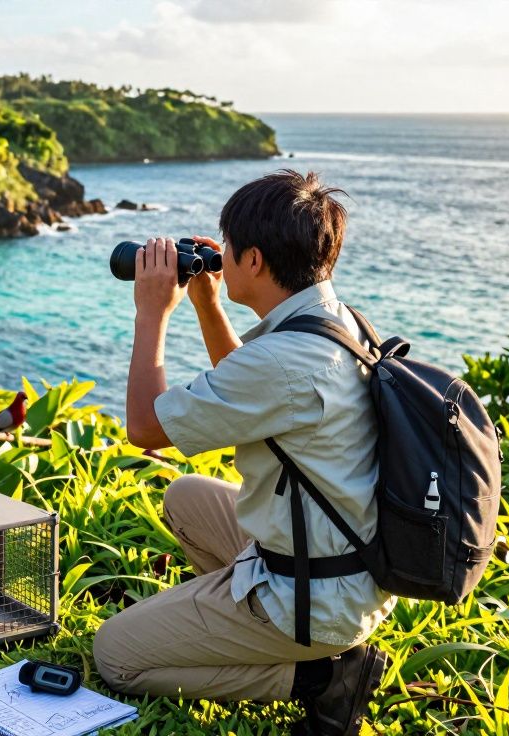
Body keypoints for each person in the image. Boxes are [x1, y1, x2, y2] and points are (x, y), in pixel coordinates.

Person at [92, 170, 393, 736]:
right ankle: (247, 625)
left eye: (226, 246)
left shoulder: (284, 361)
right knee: (185, 496)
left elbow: (144, 428)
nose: (219, 254)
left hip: (313, 599)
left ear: (253, 261)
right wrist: (207, 299)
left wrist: (152, 311)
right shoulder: (336, 322)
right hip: (345, 564)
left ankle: (320, 678)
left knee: (115, 656)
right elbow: (252, 385)